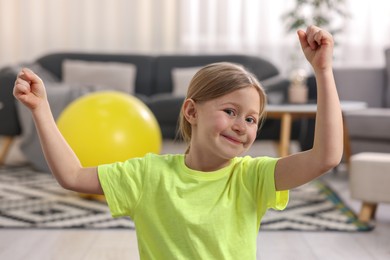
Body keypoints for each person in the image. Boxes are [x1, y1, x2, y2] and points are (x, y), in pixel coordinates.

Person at [13, 25, 343, 259]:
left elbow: (326, 156)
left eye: (251, 119)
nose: (241, 126)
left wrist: (323, 72)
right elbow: (72, 175)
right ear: (191, 111)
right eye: (230, 111)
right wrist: (41, 110)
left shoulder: (253, 178)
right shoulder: (147, 175)